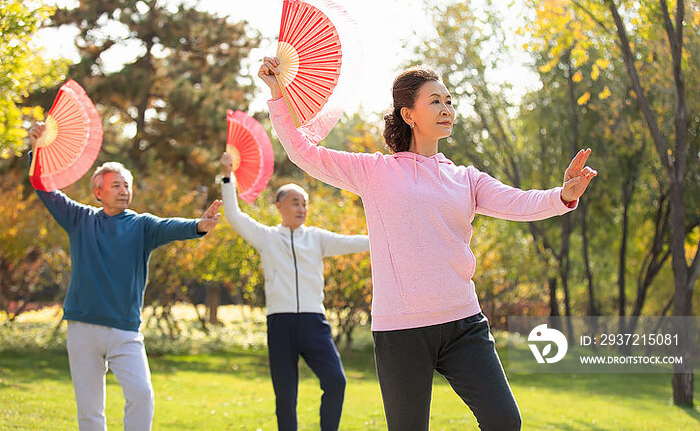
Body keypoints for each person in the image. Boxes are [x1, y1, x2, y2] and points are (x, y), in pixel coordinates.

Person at [258, 58, 598, 431]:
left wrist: (562, 195)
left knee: (505, 421)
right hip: (401, 330)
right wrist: (277, 94)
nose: (447, 108)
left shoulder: (465, 179)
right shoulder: (374, 172)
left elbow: (517, 202)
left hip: (463, 324)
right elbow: (305, 153)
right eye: (435, 101)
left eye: (449, 101)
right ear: (409, 114)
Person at [27, 123, 222, 431]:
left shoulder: (142, 225)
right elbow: (44, 187)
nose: (123, 190)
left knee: (142, 395)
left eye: (127, 185)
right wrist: (37, 148)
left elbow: (171, 226)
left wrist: (199, 224)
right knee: (90, 410)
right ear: (98, 192)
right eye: (116, 185)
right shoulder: (79, 219)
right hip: (83, 327)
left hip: (124, 331)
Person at [219, 152, 369, 431]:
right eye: (295, 203)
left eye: (305, 204)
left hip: (314, 323)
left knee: (336, 381)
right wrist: (228, 176)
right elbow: (233, 214)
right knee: (285, 397)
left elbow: (356, 242)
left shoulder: (317, 238)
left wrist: (388, 237)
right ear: (279, 206)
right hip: (281, 324)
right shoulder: (266, 238)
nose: (301, 209)